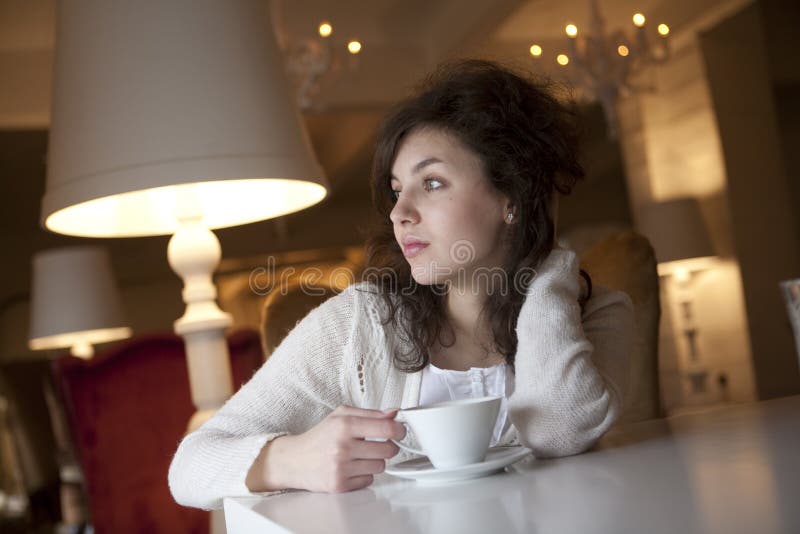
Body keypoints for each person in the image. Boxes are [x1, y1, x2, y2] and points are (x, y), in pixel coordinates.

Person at [168, 59, 633, 510]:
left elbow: (558, 431)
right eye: (396, 190)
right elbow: (189, 467)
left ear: (510, 197)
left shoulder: (599, 315)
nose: (399, 213)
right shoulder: (357, 326)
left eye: (431, 183)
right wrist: (290, 458)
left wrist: (548, 271)